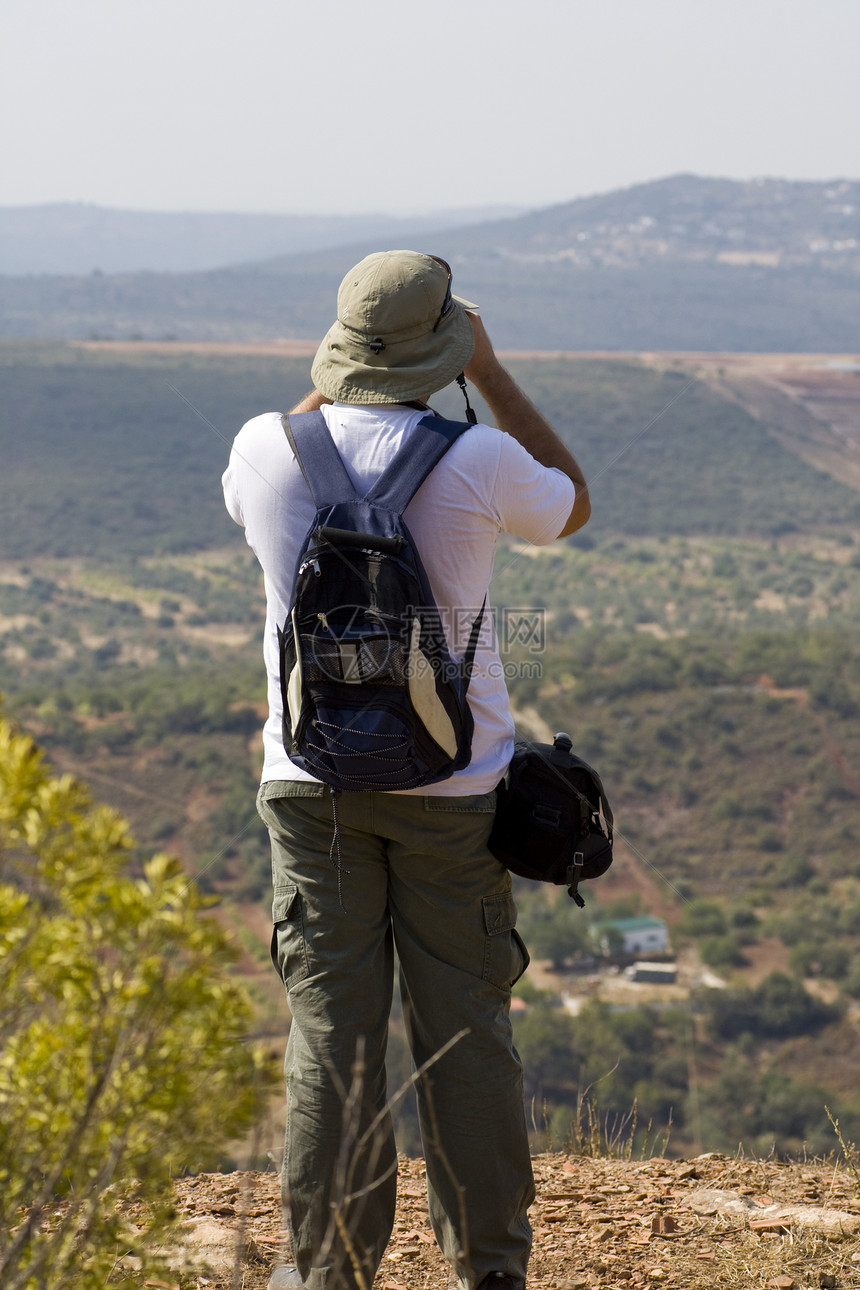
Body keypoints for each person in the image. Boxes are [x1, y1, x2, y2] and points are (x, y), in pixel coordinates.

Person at [221, 250, 591, 1290]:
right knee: (464, 1034)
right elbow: (572, 504)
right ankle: (487, 1270)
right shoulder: (476, 462)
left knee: (331, 1039)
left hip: (310, 788)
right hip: (453, 793)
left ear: (340, 346)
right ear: (442, 346)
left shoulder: (262, 452)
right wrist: (490, 369)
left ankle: (328, 1270)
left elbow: (292, 434)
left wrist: (342, 373)